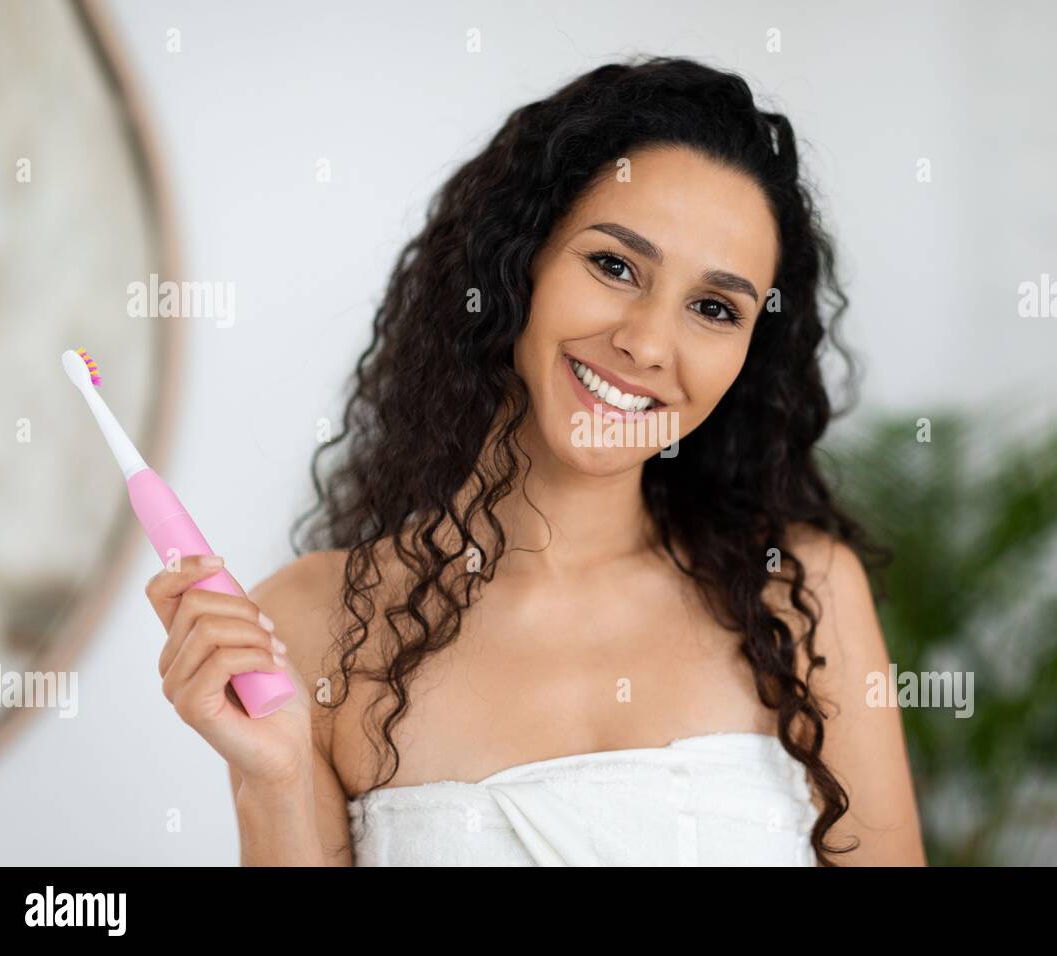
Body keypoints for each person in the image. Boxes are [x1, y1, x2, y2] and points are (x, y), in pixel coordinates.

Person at [149, 55, 926, 866]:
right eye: (614, 265)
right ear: (516, 262)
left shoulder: (802, 598)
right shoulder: (311, 626)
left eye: (712, 308)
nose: (647, 343)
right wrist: (269, 784)